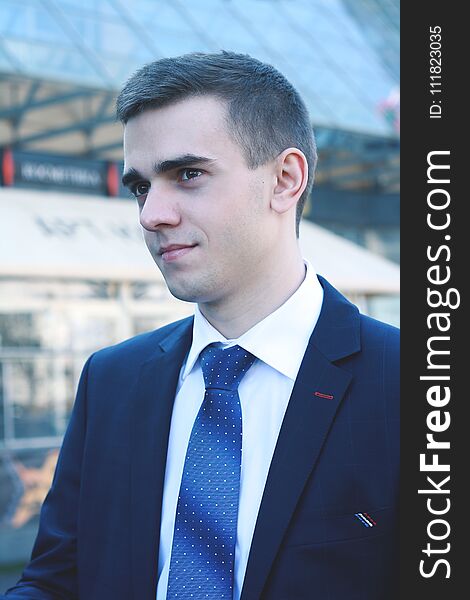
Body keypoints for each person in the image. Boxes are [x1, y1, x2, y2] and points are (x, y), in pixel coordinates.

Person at [2, 51, 399, 600]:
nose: (150, 214)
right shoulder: (111, 381)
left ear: (286, 180)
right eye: (141, 186)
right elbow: (56, 581)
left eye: (188, 174)